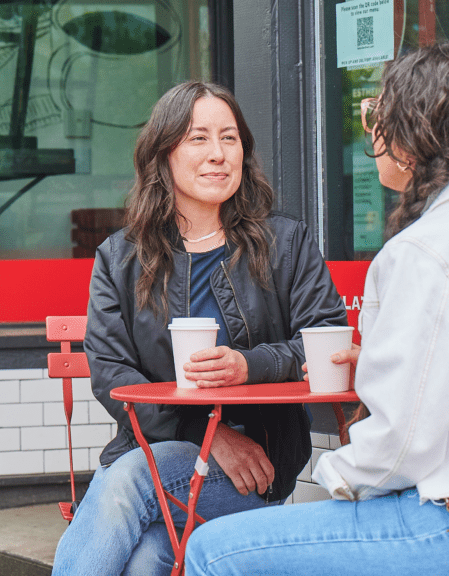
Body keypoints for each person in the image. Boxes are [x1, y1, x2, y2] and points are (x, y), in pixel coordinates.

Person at [185, 42, 449, 576]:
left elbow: (401, 445)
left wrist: (331, 477)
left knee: (212, 549)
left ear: (411, 140)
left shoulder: (423, 249)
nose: (370, 129)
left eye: (376, 114)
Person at [51, 81, 347, 575]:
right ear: (163, 153)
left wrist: (249, 366)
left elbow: (327, 341)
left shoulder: (285, 244)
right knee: (147, 558)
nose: (218, 154)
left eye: (229, 139)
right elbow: (111, 374)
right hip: (160, 453)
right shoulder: (121, 258)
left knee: (125, 483)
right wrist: (205, 437)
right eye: (198, 138)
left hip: (257, 470)